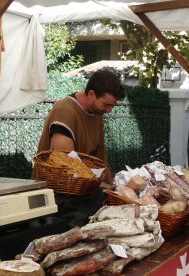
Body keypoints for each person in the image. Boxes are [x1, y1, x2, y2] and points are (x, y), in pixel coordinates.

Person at [33, 69, 125, 227]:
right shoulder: (65, 110)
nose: (109, 110)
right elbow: (65, 164)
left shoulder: (97, 116)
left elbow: (101, 161)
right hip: (55, 196)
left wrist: (113, 188)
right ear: (91, 94)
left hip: (81, 194)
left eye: (112, 106)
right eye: (107, 104)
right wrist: (102, 186)